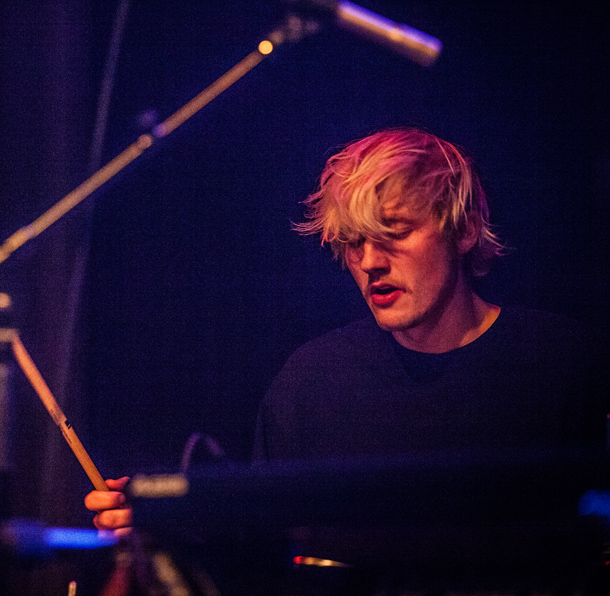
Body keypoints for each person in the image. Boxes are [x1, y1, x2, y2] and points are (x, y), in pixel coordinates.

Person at [86, 127, 606, 533]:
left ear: (464, 229)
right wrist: (160, 521)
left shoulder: (568, 364)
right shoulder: (310, 385)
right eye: (354, 242)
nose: (370, 262)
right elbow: (261, 551)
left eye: (393, 233)